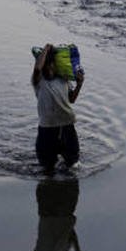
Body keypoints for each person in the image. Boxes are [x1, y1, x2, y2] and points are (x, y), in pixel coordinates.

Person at [31, 43, 84, 173]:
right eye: (47, 65)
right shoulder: (39, 80)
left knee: (72, 163)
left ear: (57, 65)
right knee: (46, 166)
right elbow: (37, 69)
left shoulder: (64, 79)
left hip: (67, 126)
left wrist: (79, 84)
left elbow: (72, 99)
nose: (50, 68)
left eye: (52, 65)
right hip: (47, 128)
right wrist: (46, 48)